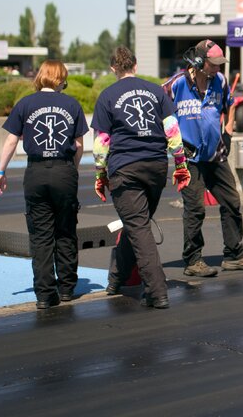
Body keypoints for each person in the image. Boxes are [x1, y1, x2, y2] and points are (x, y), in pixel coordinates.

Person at [92, 47, 190, 310]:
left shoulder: (107, 96)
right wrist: (181, 165)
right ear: (135, 64)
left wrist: (101, 174)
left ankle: (157, 292)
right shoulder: (156, 91)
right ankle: (116, 280)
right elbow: (172, 130)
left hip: (126, 168)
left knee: (138, 227)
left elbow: (101, 143)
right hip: (156, 166)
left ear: (113, 68)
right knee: (137, 223)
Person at [163, 40, 243, 277]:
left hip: (216, 154)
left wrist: (228, 131)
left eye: (220, 64)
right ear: (199, 62)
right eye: (214, 64)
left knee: (232, 201)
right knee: (195, 208)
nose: (217, 69)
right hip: (189, 158)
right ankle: (192, 260)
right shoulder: (176, 84)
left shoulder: (219, 81)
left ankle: (234, 255)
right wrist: (171, 141)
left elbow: (229, 105)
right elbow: (158, 106)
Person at [0, 60, 88, 310]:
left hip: (35, 171)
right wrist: (72, 170)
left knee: (41, 234)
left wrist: (1, 170)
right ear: (61, 79)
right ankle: (67, 287)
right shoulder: (71, 104)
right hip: (63, 170)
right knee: (66, 230)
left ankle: (45, 294)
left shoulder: (25, 103)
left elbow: (11, 141)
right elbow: (79, 145)